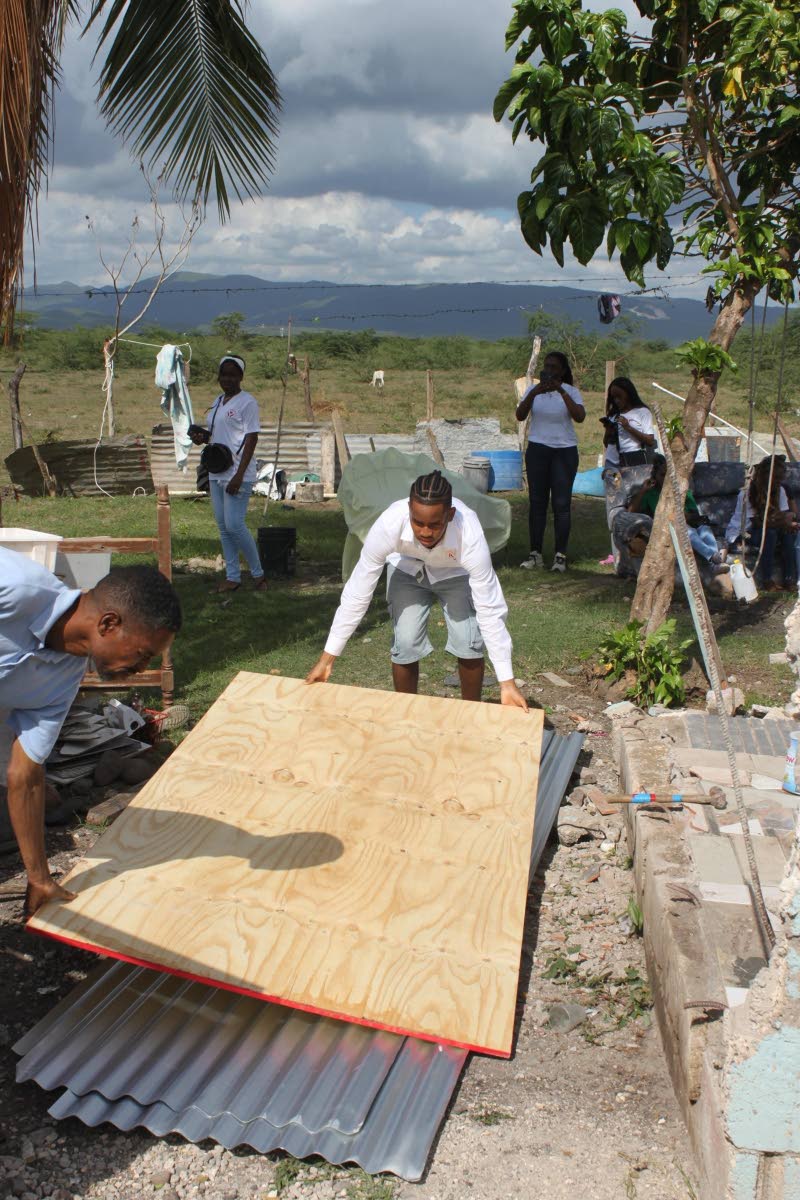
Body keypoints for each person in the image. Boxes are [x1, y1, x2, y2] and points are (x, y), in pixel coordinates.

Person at [0, 555, 182, 917]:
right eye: (143, 654)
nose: (142, 669)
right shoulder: (14, 587)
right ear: (109, 623)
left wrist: (38, 877)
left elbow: (26, 776)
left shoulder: (61, 682)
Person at [306, 471, 528, 711]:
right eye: (417, 522)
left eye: (435, 524)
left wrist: (506, 683)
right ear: (408, 509)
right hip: (407, 570)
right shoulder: (389, 523)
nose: (425, 532)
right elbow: (358, 592)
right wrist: (327, 659)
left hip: (455, 574)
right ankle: (406, 714)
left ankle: (470, 713)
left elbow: (490, 608)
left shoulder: (469, 534)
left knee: (469, 641)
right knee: (406, 642)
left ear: (450, 515)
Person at [189, 355, 266, 593]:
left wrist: (239, 476)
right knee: (223, 527)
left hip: (237, 473)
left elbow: (251, 438)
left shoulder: (247, 403)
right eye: (224, 374)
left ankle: (258, 574)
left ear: (241, 377)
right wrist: (202, 437)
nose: (227, 379)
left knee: (235, 525)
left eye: (233, 374)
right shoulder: (218, 401)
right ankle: (233, 576)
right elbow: (217, 435)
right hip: (216, 470)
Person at [516, 351, 585, 572]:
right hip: (538, 449)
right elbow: (520, 415)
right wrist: (535, 391)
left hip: (564, 452)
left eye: (555, 367)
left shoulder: (571, 391)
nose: (549, 371)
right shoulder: (534, 391)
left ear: (563, 371)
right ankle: (535, 553)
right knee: (537, 503)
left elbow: (580, 416)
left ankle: (560, 556)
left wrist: (561, 390)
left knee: (562, 505)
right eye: (547, 367)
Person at [628, 454, 729, 574]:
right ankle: (713, 556)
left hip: (689, 524)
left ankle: (714, 563)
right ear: (654, 476)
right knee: (687, 530)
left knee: (705, 529)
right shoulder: (650, 494)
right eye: (661, 475)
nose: (665, 479)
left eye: (668, 475)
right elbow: (630, 512)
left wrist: (685, 516)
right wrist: (643, 490)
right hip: (670, 528)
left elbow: (694, 515)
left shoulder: (682, 491)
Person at [725, 455, 798, 591]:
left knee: (787, 534)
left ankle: (790, 579)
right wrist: (784, 522)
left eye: (781, 478)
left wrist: (789, 523)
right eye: (776, 478)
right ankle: (767, 580)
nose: (779, 481)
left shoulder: (780, 490)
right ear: (766, 476)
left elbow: (782, 515)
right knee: (770, 534)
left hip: (770, 527)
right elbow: (758, 523)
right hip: (745, 532)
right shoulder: (748, 493)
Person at [603, 377, 656, 468]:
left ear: (629, 393)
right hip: (612, 462)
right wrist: (609, 430)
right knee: (612, 482)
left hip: (633, 460)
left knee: (633, 482)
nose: (616, 400)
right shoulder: (613, 414)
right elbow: (606, 443)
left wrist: (628, 427)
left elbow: (650, 441)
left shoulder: (642, 412)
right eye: (614, 397)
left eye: (619, 396)